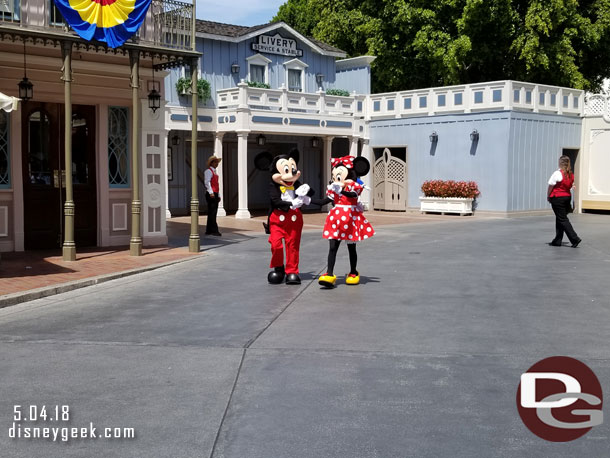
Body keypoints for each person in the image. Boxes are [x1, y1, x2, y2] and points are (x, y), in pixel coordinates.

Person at [547, 155, 581, 247]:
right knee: (560, 218)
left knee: (562, 219)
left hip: (558, 198)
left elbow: (551, 185)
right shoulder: (570, 174)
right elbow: (570, 186)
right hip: (567, 197)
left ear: (560, 163)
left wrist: (548, 196)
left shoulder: (557, 173)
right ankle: (557, 240)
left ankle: (575, 239)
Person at [204, 155, 222, 236]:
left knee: (212, 212)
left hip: (215, 193)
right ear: (211, 163)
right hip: (211, 193)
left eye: (217, 162)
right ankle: (214, 230)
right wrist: (211, 192)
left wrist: (218, 194)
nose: (216, 163)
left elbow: (216, 184)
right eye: (215, 162)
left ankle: (209, 230)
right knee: (212, 212)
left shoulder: (214, 172)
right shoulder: (208, 171)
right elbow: (207, 182)